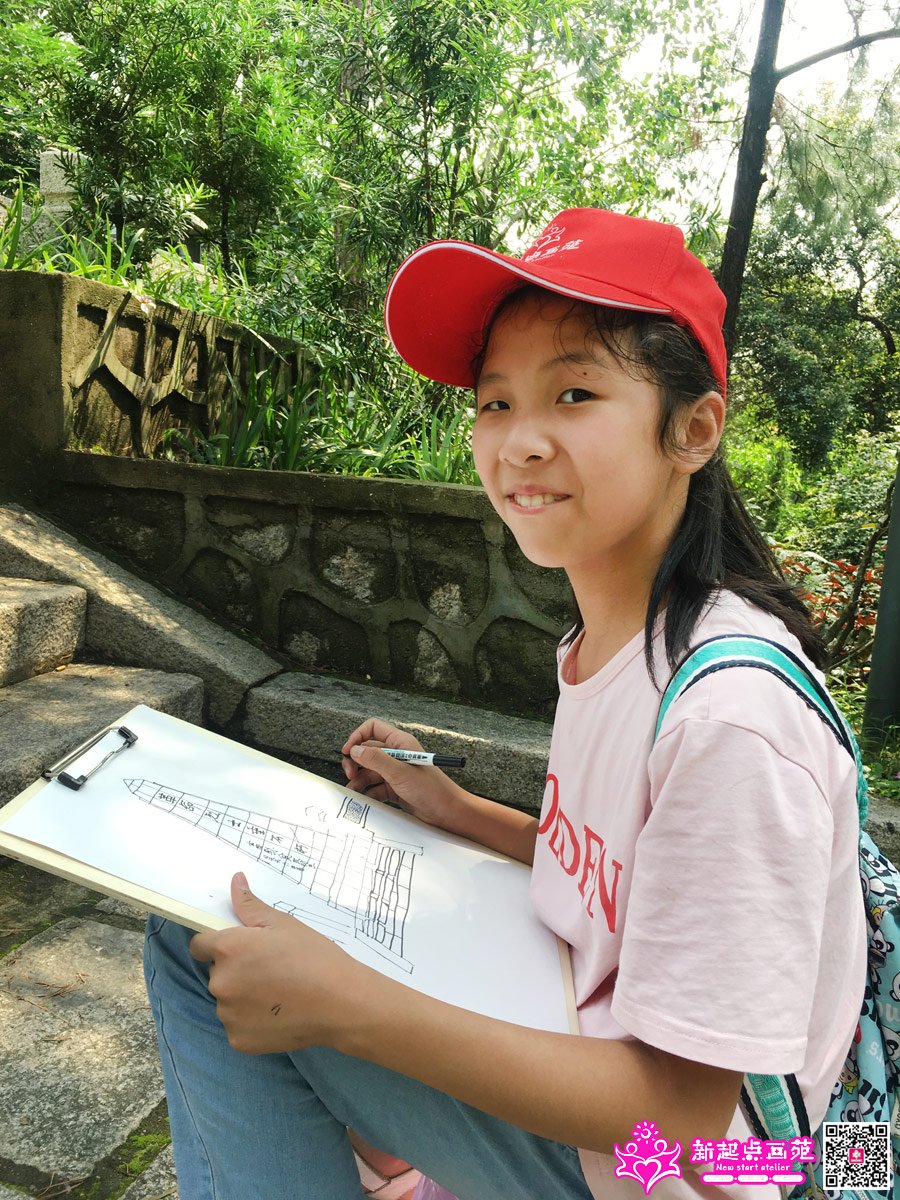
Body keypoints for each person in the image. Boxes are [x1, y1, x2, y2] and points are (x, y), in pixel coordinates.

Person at [143, 208, 867, 1200]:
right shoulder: (611, 640)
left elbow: (686, 1118)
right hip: (592, 1040)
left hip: (695, 1172)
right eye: (495, 402)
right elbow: (619, 882)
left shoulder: (729, 720)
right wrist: (458, 812)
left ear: (693, 431)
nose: (519, 441)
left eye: (574, 393)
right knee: (247, 942)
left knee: (199, 948)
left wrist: (355, 1010)